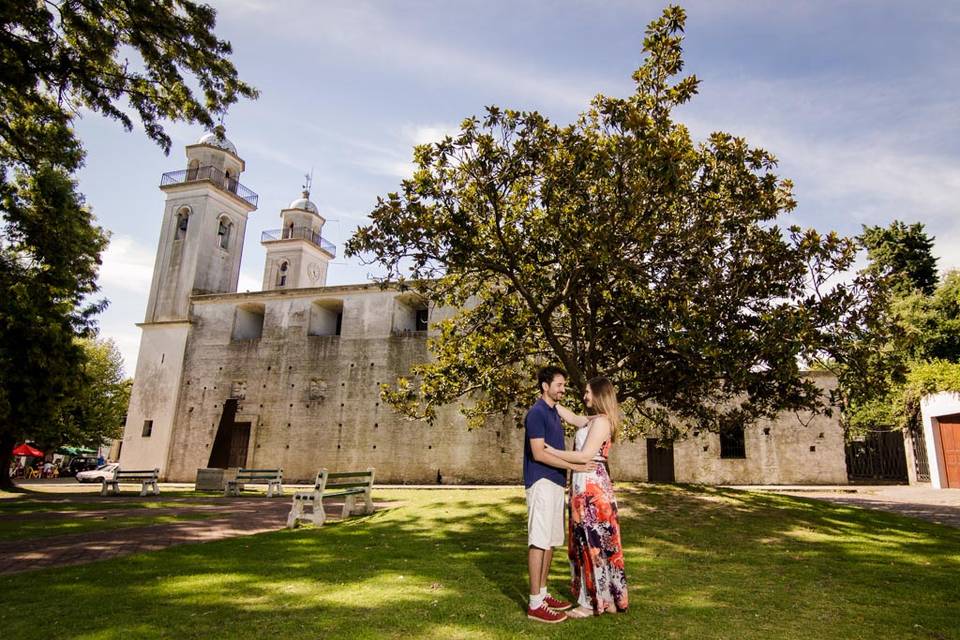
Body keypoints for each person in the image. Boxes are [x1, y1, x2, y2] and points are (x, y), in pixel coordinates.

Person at [546, 376, 629, 618]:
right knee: (593, 544)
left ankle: (591, 602)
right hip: (584, 485)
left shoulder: (602, 422)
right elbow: (572, 417)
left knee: (591, 544)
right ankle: (607, 601)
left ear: (599, 394)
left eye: (588, 392)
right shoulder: (593, 420)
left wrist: (550, 452)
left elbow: (584, 457)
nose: (584, 396)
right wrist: (550, 400)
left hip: (592, 489)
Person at [523, 366, 596, 624]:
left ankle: (542, 594)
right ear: (545, 386)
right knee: (539, 540)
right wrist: (575, 466)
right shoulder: (536, 413)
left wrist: (604, 416)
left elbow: (579, 419)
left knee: (551, 540)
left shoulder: (554, 410)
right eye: (560, 385)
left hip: (555, 483)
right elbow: (539, 453)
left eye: (564, 385)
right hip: (541, 482)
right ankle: (534, 604)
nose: (564, 389)